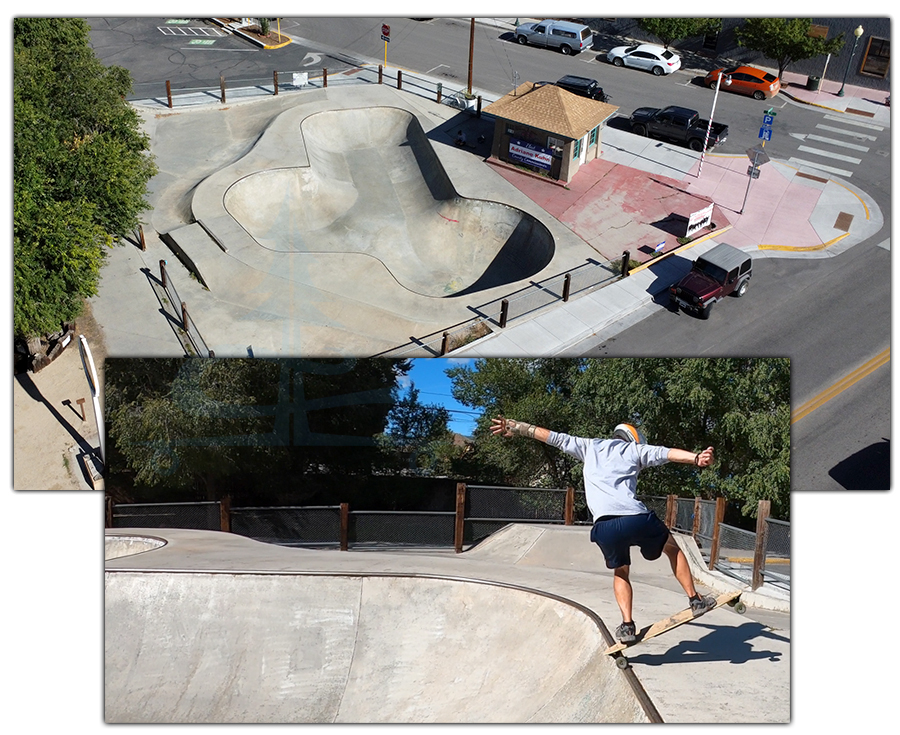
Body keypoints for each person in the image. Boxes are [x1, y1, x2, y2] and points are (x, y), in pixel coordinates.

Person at [491, 416, 716, 643]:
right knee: (672, 549)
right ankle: (695, 599)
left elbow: (553, 438)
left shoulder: (590, 446)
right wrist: (696, 458)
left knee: (621, 571)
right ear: (633, 439)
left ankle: (627, 625)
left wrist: (518, 427)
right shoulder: (635, 450)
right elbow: (666, 453)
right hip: (636, 519)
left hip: (604, 526)